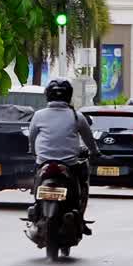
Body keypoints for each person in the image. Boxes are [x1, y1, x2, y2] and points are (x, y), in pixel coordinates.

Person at [28, 79, 101, 233]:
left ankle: (36, 208)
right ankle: (79, 216)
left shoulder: (38, 115)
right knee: (82, 184)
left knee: (36, 177)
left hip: (43, 162)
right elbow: (89, 140)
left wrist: (34, 153)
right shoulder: (76, 116)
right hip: (70, 164)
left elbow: (32, 138)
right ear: (69, 96)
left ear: (48, 95)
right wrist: (95, 152)